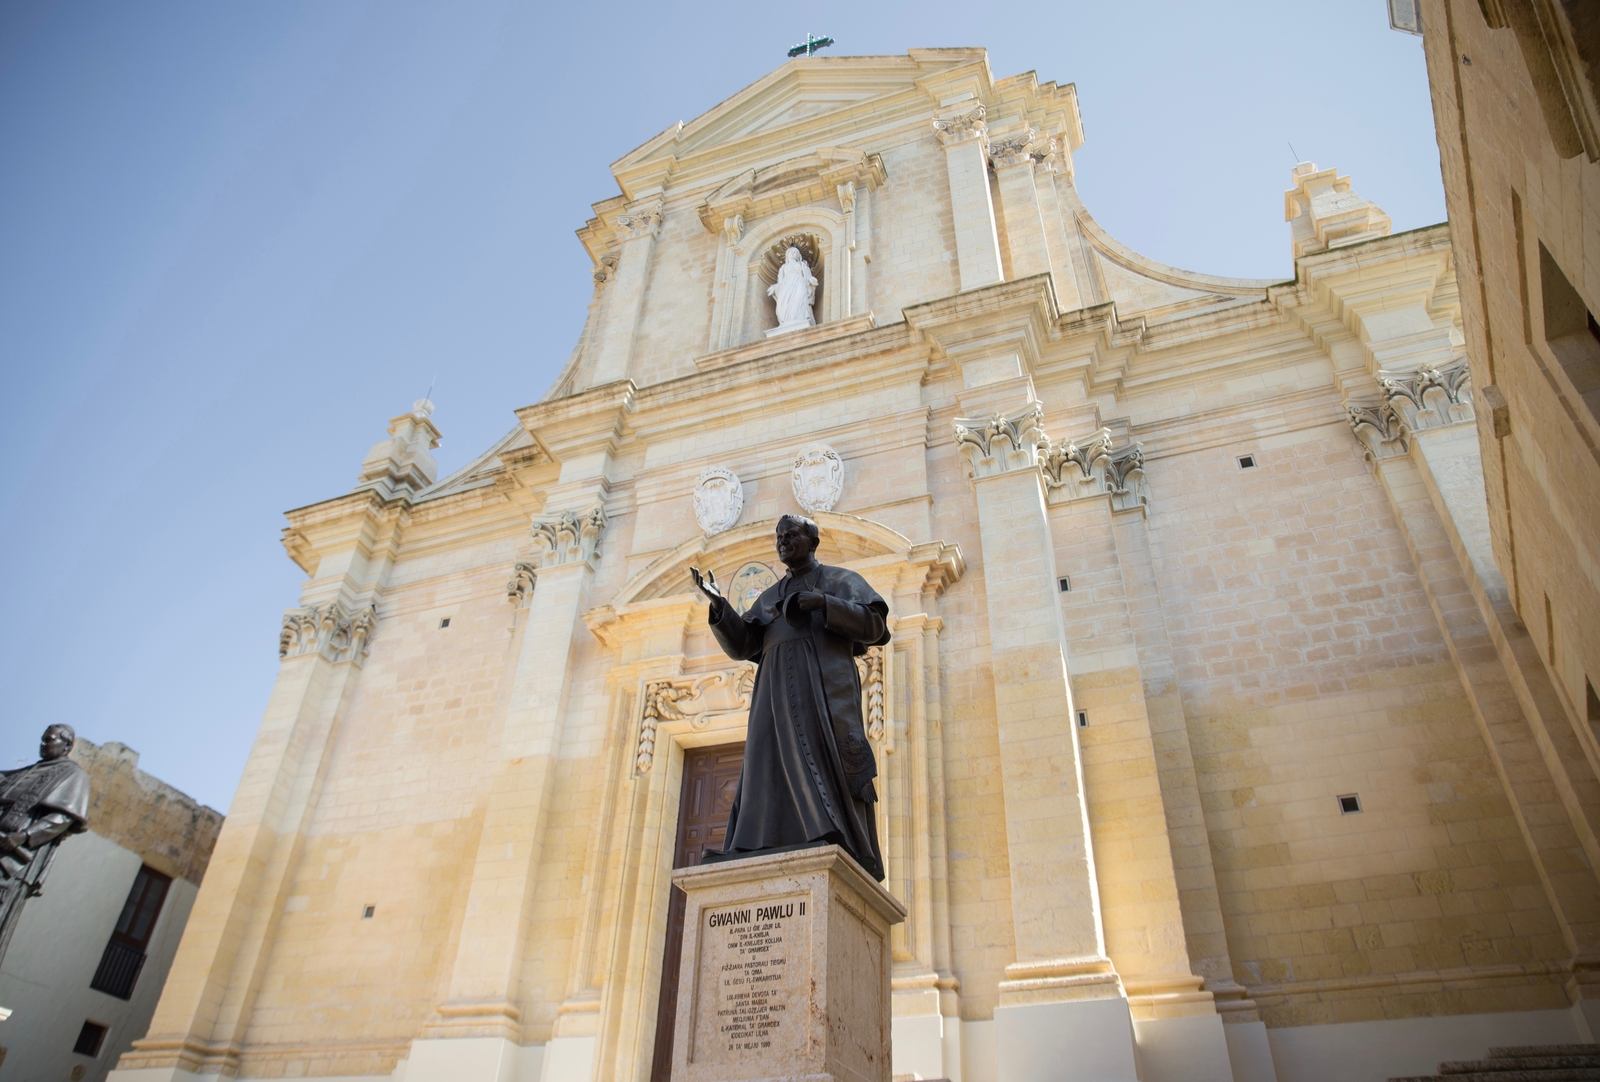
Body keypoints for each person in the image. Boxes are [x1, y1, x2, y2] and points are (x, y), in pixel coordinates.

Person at [691, 514, 888, 879]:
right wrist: (720, 607)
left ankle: (830, 832)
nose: (783, 541)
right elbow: (744, 644)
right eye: (779, 536)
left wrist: (824, 604)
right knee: (766, 759)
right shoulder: (768, 596)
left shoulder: (840, 581)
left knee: (823, 758)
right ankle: (755, 841)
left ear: (813, 542)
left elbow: (875, 626)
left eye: (791, 535)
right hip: (773, 691)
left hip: (822, 689)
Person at [0, 724, 91, 967]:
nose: (43, 745)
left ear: (67, 745)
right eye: (42, 740)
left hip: (18, 859)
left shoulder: (73, 775)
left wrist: (24, 836)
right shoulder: (28, 771)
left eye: (48, 740)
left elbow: (62, 818)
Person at [766, 246, 818, 329]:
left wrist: (811, 281)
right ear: (787, 255)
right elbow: (780, 282)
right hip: (786, 287)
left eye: (795, 252)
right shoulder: (783, 268)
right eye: (791, 252)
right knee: (785, 303)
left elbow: (807, 276)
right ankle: (787, 321)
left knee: (800, 300)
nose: (793, 254)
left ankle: (800, 318)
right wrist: (775, 288)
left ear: (798, 255)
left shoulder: (802, 265)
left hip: (799, 284)